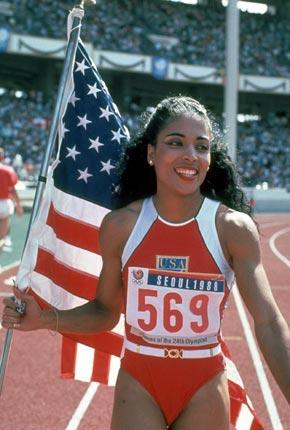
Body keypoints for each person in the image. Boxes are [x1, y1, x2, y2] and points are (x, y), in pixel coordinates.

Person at [2, 96, 290, 429]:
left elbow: (268, 322)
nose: (190, 156)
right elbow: (105, 312)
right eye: (175, 143)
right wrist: (46, 319)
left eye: (202, 146)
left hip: (205, 384)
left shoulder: (232, 228)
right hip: (140, 383)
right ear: (152, 153)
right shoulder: (121, 226)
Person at [0, 147, 23, 253]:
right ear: (2, 157)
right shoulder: (8, 170)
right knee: (2, 236)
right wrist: (18, 205)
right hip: (4, 203)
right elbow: (13, 190)